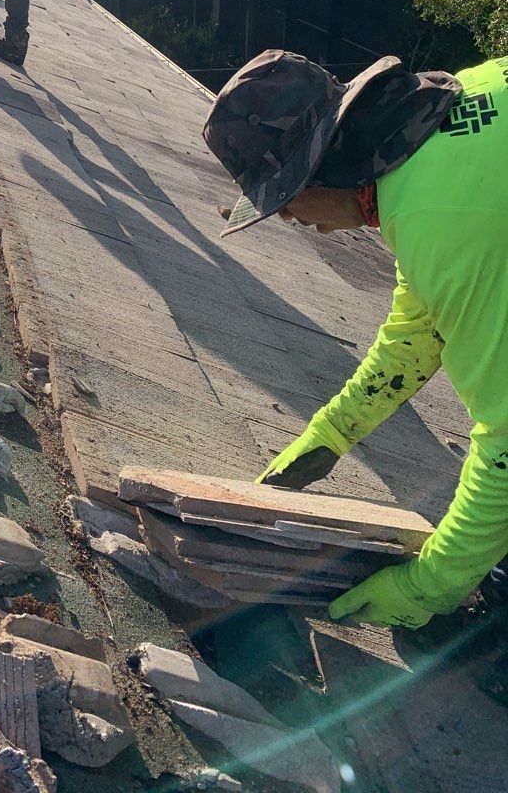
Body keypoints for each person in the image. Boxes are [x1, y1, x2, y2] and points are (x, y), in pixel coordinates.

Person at [201, 49, 507, 630]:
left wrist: (429, 586)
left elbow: (507, 442)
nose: (288, 218)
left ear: (323, 164)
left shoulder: (438, 218)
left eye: (282, 196)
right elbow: (418, 331)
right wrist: (332, 433)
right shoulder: (435, 135)